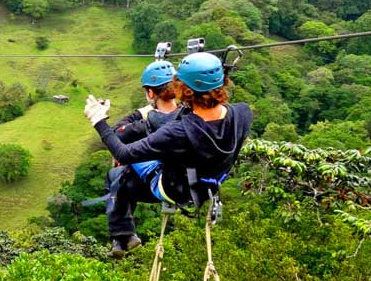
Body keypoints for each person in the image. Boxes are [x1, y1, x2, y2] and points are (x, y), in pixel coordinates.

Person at [85, 52, 252, 248]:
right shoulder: (242, 113)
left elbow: (122, 152)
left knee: (118, 172)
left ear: (184, 90)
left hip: (174, 189)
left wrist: (98, 121)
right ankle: (123, 236)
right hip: (208, 185)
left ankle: (122, 235)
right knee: (131, 168)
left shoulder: (178, 132)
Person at [102, 60, 184, 257]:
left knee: (116, 176)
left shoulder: (147, 123)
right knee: (123, 173)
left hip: (155, 185)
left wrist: (143, 111)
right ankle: (123, 238)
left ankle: (122, 236)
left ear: (150, 93)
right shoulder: (187, 114)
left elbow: (116, 134)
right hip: (184, 183)